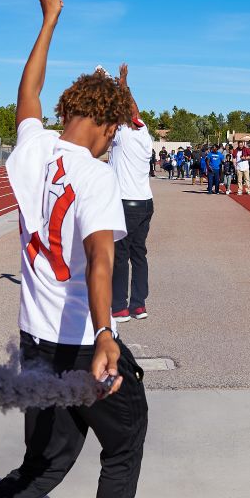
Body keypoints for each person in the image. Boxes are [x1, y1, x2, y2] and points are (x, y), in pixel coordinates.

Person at [0, 0, 146, 498]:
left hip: (34, 336)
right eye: (114, 130)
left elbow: (26, 92)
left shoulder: (33, 147)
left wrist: (49, 18)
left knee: (44, 464)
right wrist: (105, 332)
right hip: (80, 341)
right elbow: (102, 258)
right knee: (125, 441)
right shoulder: (96, 175)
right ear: (103, 123)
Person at [109, 64, 155, 324]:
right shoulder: (144, 135)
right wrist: (124, 84)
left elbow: (128, 109)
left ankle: (119, 307)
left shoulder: (122, 135)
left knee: (120, 256)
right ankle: (139, 305)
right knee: (139, 255)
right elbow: (133, 109)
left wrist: (119, 85)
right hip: (146, 202)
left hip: (126, 203)